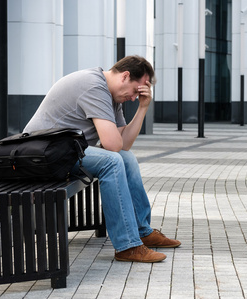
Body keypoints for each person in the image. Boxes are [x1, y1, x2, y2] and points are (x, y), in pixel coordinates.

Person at [24, 55, 181, 263]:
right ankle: (127, 245)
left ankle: (142, 231)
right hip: (43, 155)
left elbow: (123, 145)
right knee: (112, 161)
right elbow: (112, 145)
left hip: (64, 152)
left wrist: (143, 108)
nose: (134, 97)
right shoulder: (94, 86)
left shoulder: (111, 95)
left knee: (126, 158)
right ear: (125, 76)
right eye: (136, 91)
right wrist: (112, 144)